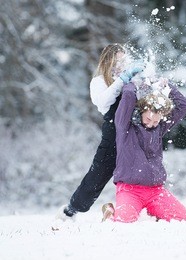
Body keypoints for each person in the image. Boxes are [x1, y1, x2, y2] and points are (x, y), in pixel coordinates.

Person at [56, 43, 145, 220]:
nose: (121, 64)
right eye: (117, 60)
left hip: (132, 130)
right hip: (112, 132)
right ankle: (71, 210)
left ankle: (136, 208)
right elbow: (102, 103)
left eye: (124, 60)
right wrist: (122, 80)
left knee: (139, 169)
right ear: (108, 60)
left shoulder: (131, 80)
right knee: (99, 173)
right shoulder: (99, 81)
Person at [101, 76, 186, 223]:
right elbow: (129, 95)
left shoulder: (160, 127)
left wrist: (167, 86)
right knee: (123, 224)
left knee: (182, 220)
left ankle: (156, 211)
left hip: (155, 190)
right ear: (141, 111)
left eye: (156, 121)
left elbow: (184, 106)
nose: (151, 124)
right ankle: (110, 212)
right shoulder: (125, 126)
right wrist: (135, 81)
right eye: (148, 119)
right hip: (129, 189)